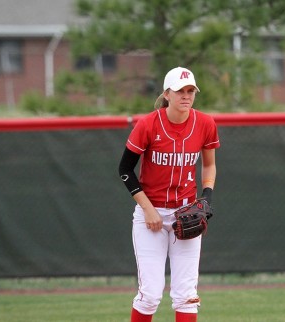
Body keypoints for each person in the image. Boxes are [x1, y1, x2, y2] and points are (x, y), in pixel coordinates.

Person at [118, 66, 220, 322]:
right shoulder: (149, 124)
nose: (186, 96)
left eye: (190, 91)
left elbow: (209, 164)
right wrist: (147, 209)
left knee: (186, 295)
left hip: (185, 213)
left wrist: (206, 195)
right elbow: (125, 169)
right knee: (150, 294)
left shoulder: (205, 123)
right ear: (166, 94)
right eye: (179, 91)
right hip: (150, 215)